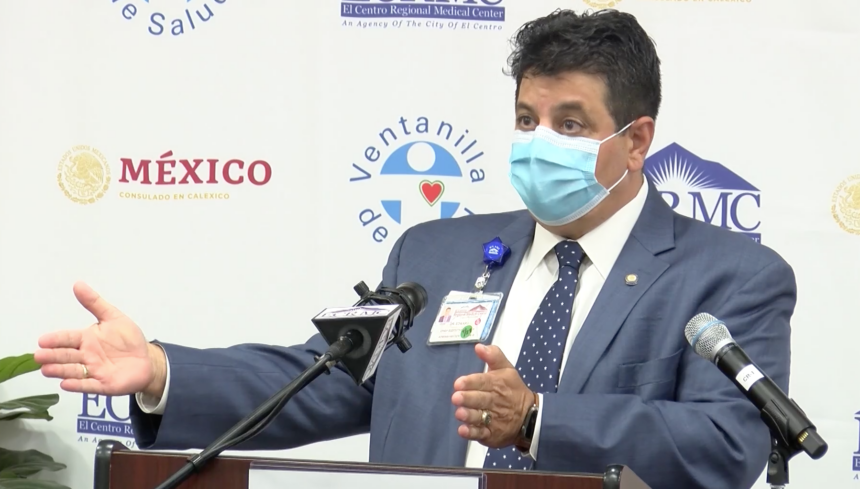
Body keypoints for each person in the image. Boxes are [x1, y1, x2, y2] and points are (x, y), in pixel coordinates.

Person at [34, 9, 794, 489]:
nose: (538, 143)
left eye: (569, 124)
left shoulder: (728, 276)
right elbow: (327, 377)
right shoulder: (434, 254)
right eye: (526, 119)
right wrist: (161, 370)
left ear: (636, 141)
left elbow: (726, 442)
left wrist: (539, 419)